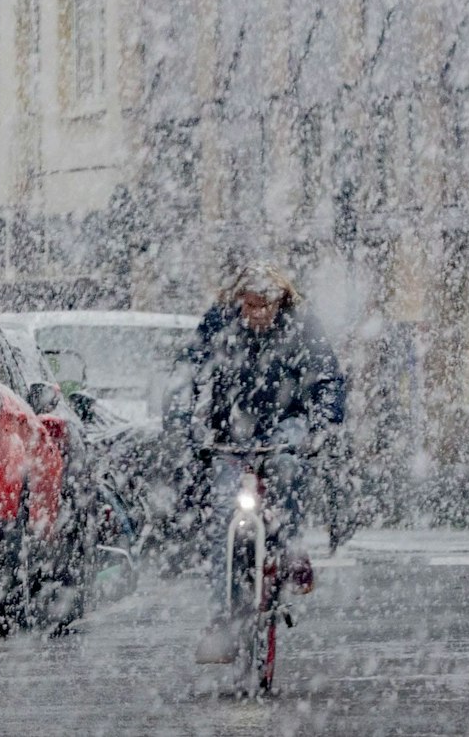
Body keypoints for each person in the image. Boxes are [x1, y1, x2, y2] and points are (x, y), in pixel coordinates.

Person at [188, 261, 345, 664]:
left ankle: (290, 547)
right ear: (238, 302)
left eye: (265, 306)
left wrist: (322, 425)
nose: (257, 314)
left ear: (280, 302)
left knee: (288, 468)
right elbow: (192, 376)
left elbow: (326, 377)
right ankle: (222, 617)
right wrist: (193, 427)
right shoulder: (218, 325)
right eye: (250, 306)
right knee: (222, 514)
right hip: (230, 431)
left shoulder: (301, 326)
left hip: (283, 423)